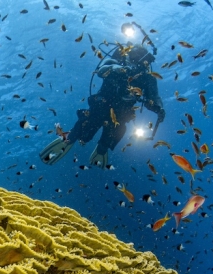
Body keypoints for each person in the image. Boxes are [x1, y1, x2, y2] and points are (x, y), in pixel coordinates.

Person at [40, 26, 166, 168]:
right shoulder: (119, 60)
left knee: (114, 132)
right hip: (102, 103)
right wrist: (118, 69)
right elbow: (101, 70)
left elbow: (153, 98)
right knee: (88, 124)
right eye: (135, 56)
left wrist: (159, 109)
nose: (138, 62)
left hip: (122, 113)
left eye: (143, 60)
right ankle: (70, 137)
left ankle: (101, 149)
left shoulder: (148, 78)